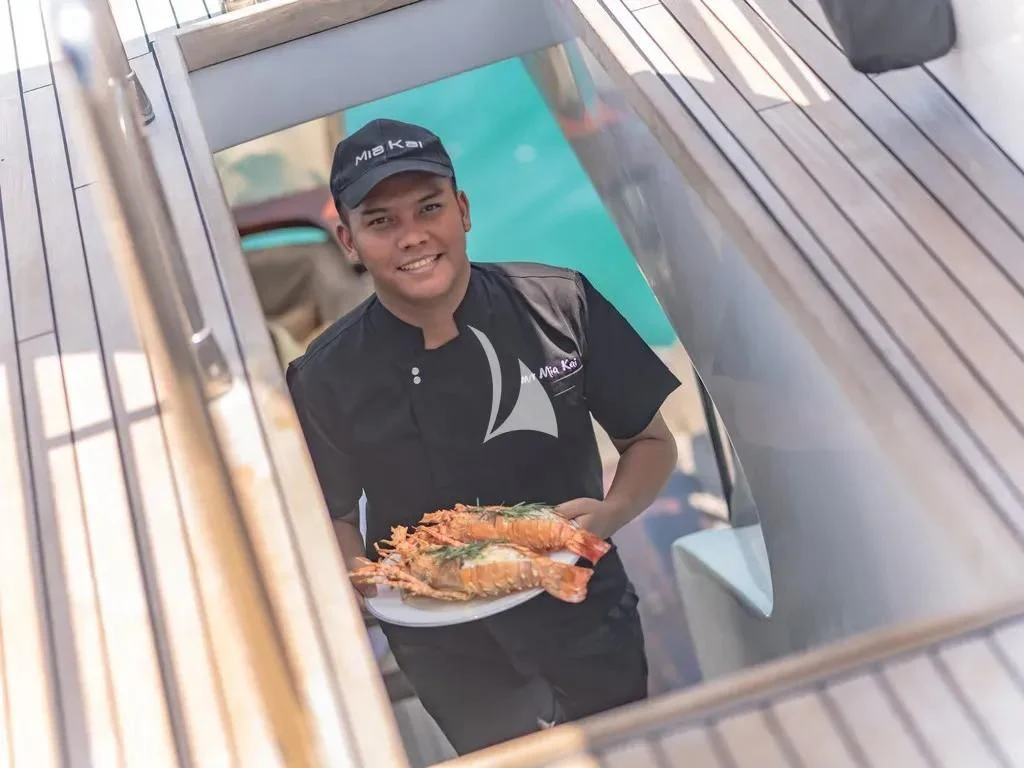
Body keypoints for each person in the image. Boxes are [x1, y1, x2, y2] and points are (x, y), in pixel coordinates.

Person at [286, 118, 681, 754]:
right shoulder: (323, 375)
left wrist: (611, 512)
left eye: (430, 208)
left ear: (463, 210)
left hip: (581, 603)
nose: (413, 235)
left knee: (625, 752)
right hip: (445, 644)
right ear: (349, 241)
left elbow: (652, 444)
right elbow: (331, 517)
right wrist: (365, 583)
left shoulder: (560, 303)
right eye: (381, 221)